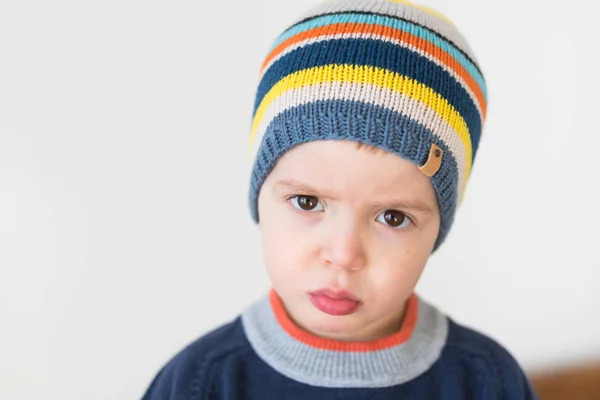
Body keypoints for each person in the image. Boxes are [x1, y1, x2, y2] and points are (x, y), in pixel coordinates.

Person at [142, 0, 539, 398]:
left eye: (393, 217)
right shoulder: (199, 383)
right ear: (260, 195)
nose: (344, 255)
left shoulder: (487, 381)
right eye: (307, 202)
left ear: (438, 226)